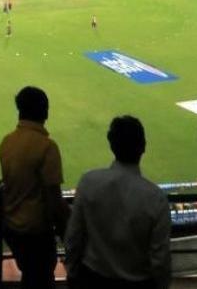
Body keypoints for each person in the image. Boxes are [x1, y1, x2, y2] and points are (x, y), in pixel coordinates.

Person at [65, 116, 171, 289]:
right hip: (137, 282)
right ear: (143, 146)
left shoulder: (88, 182)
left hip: (91, 278)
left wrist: (72, 273)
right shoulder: (156, 198)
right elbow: (160, 258)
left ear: (111, 144)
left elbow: (73, 236)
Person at [0, 87, 70, 289]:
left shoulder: (7, 142)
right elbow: (53, 198)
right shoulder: (47, 146)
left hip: (12, 227)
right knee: (41, 279)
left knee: (31, 275)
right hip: (36, 231)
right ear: (45, 111)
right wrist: (67, 230)